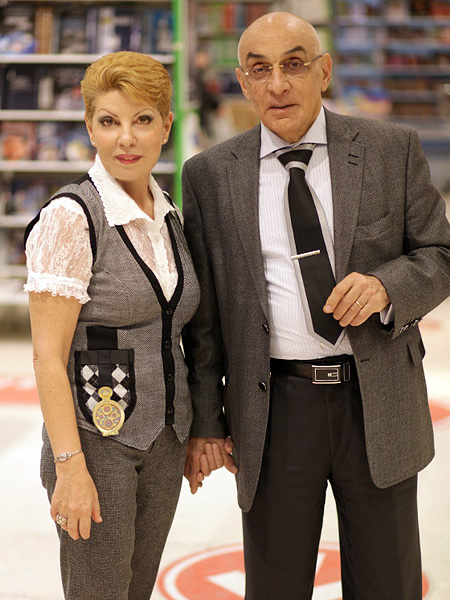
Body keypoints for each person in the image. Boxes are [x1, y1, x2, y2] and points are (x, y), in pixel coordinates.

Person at [181, 12, 450, 600]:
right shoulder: (209, 175)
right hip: (273, 408)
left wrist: (387, 287)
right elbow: (205, 321)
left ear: (323, 71)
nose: (277, 84)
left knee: (387, 584)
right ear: (243, 82)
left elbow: (440, 253)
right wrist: (206, 420)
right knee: (275, 585)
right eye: (260, 69)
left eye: (294, 64)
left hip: (377, 400)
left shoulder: (390, 150)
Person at [24, 51, 200, 600]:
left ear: (166, 126)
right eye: (109, 121)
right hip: (95, 447)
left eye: (142, 120)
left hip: (165, 441)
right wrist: (70, 468)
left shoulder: (168, 214)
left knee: (136, 591)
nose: (126, 138)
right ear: (89, 128)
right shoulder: (71, 218)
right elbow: (47, 357)